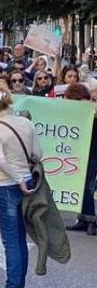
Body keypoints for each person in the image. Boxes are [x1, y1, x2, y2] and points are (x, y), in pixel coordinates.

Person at [0, 87, 41, 288]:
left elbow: (0, 159)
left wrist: (17, 177)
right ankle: (19, 287)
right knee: (20, 238)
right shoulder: (26, 123)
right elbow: (38, 154)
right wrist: (24, 176)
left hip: (7, 185)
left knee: (10, 239)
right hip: (28, 182)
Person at [64, 83, 97, 235]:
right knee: (80, 185)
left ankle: (91, 220)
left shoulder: (92, 112)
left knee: (87, 187)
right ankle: (83, 219)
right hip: (80, 153)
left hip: (92, 153)